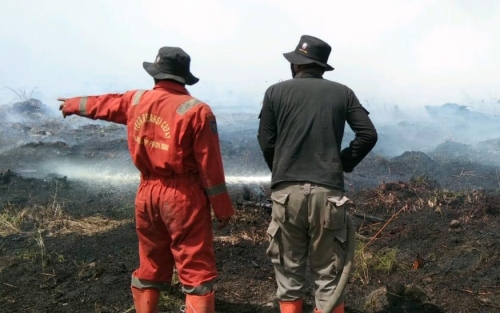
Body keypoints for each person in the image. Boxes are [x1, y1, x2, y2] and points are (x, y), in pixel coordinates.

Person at [58, 46, 234, 313]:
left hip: (146, 195)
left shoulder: (136, 101)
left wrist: (72, 104)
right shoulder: (198, 111)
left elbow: (104, 104)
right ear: (184, 78)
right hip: (183, 197)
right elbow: (210, 167)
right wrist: (222, 209)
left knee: (151, 262)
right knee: (196, 267)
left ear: (155, 74)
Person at [258, 35, 377, 313]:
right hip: (329, 195)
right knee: (329, 276)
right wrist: (344, 161)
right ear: (322, 67)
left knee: (288, 275)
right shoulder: (342, 92)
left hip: (287, 195)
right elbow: (368, 134)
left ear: (295, 65)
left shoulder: (274, 93)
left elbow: (266, 141)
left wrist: (281, 171)